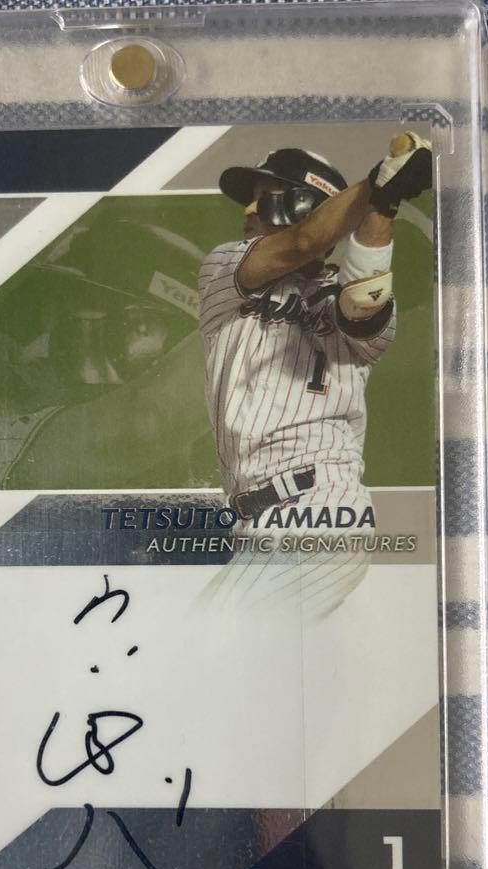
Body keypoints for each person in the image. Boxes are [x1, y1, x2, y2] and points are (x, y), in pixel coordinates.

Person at [197, 133, 433, 618]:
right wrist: (380, 185)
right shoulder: (224, 267)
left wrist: (383, 202)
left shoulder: (348, 288)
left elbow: (360, 303)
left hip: (318, 505)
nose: (247, 209)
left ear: (307, 205)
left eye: (265, 197)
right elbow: (304, 242)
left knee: (205, 640)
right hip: (257, 520)